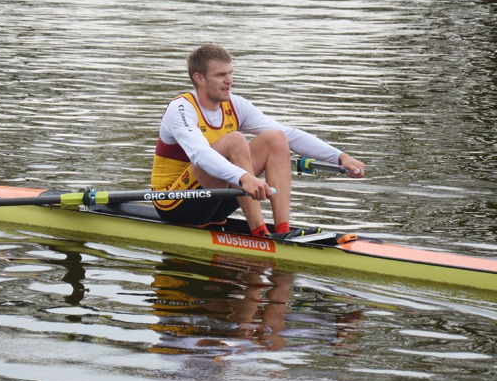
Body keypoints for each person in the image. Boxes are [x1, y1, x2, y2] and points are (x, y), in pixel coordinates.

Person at [150, 44, 366, 240]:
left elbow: (289, 134)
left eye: (230, 73)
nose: (229, 80)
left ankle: (282, 231)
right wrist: (244, 177)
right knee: (236, 140)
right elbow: (200, 155)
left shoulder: (235, 105)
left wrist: (340, 156)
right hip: (175, 203)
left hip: (219, 198)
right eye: (220, 75)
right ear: (199, 78)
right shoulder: (181, 108)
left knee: (276, 138)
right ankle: (260, 234)